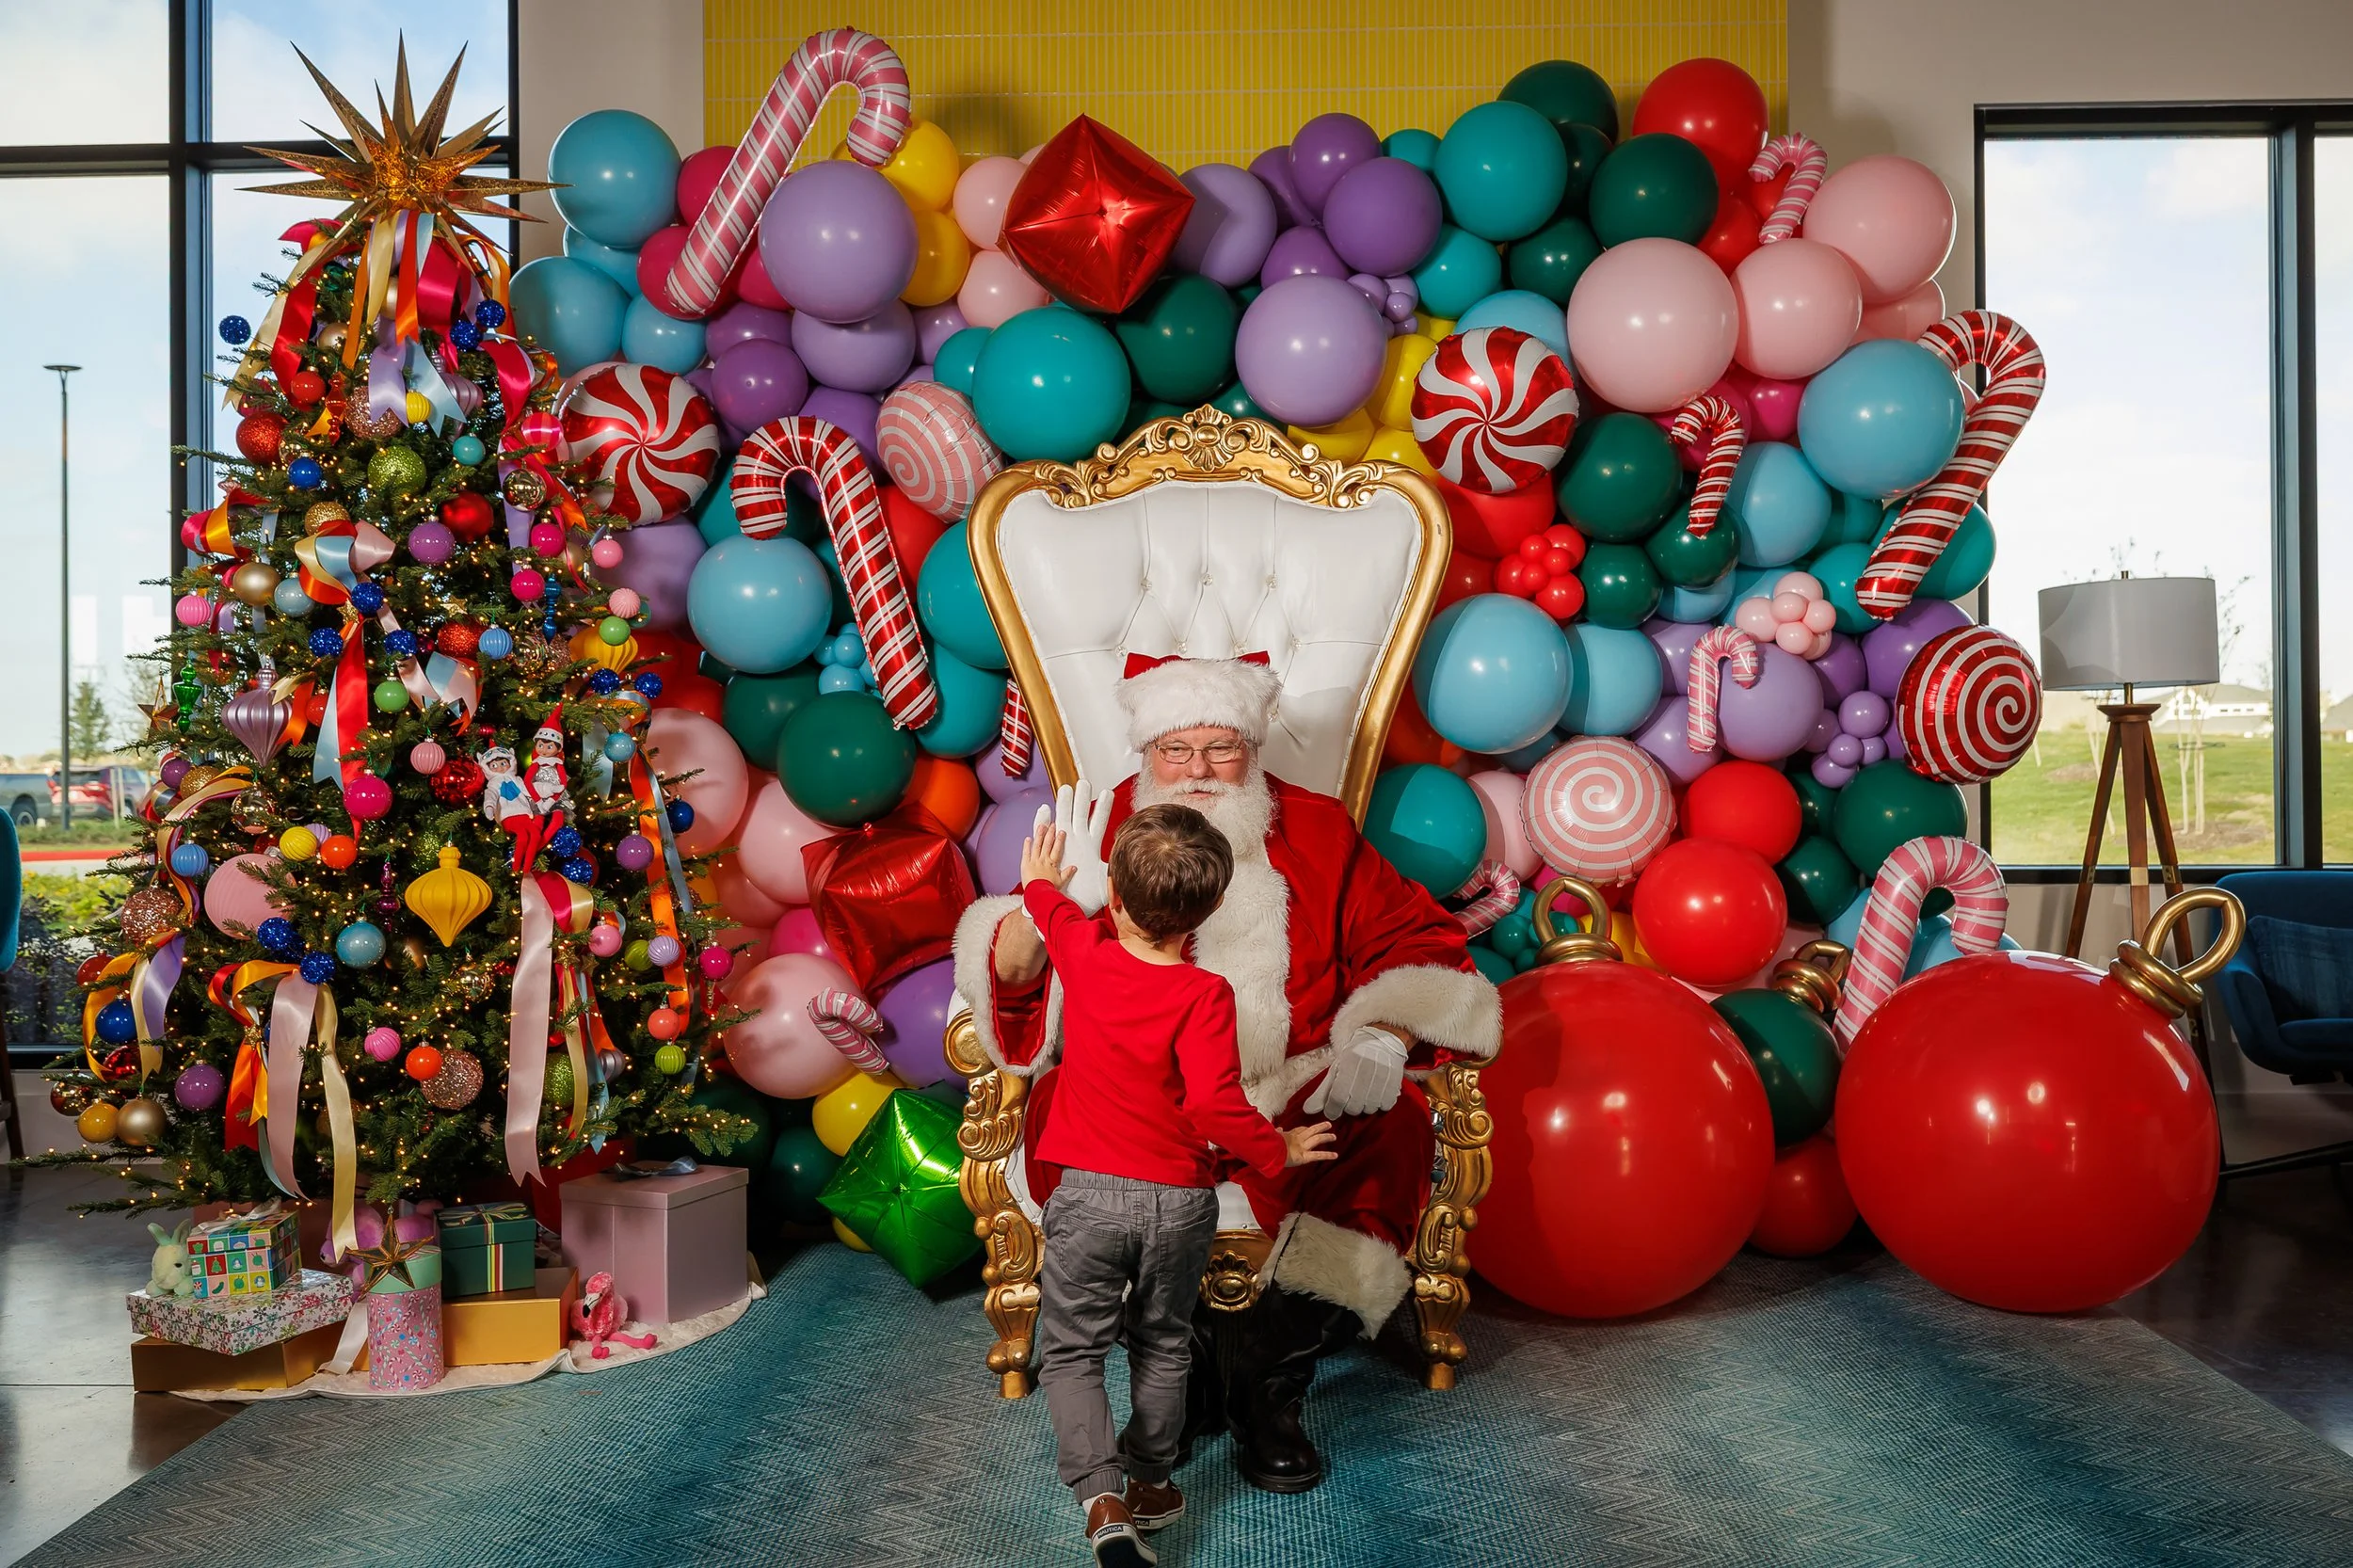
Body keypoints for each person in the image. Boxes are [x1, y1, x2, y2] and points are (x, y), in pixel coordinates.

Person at [952, 654, 1501, 1494]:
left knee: (1381, 1129)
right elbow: (1029, 960)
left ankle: (1263, 1388)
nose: (1200, 770)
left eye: (1222, 748)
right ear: (1146, 751)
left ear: (1252, 747)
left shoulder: (1316, 827)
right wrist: (1040, 908)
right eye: (1178, 749)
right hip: (1142, 1092)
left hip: (1294, 1075)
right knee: (1065, 1124)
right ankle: (1192, 1367)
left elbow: (1414, 939)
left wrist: (1383, 1033)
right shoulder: (1106, 830)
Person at [1021, 803, 1337, 1566]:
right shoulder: (1205, 995)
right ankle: (1153, 1484)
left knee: (1072, 1354)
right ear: (1215, 907)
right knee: (1164, 1342)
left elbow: (1049, 905)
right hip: (1178, 1201)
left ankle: (1102, 1501)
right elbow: (1214, 1105)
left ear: (1117, 900)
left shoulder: (1085, 950)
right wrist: (1279, 1148)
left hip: (1089, 1195)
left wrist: (1039, 881)